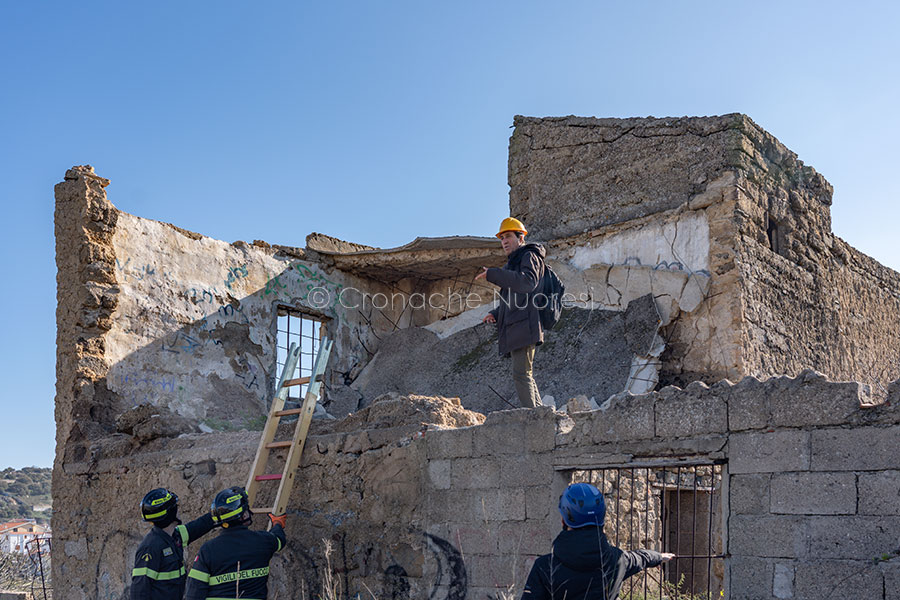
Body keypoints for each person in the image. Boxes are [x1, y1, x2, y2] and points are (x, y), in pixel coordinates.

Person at [521, 483, 675, 600]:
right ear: (601, 518)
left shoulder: (544, 567)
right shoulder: (617, 560)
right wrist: (659, 556)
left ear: (563, 520)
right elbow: (640, 558)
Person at [476, 217, 546, 408]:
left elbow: (527, 283)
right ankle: (540, 413)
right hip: (517, 324)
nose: (504, 241)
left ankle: (533, 416)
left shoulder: (529, 256)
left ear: (521, 237)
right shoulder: (512, 264)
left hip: (525, 324)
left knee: (521, 374)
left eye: (508, 236)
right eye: (502, 238)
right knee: (525, 374)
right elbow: (512, 300)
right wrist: (496, 314)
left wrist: (494, 274)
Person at [185, 486, 287, 600]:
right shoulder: (264, 541)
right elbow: (279, 538)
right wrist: (277, 523)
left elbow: (193, 593)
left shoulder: (208, 550)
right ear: (243, 515)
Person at [131, 487, 216, 600]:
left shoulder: (174, 536)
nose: (178, 510)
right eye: (176, 507)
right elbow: (139, 591)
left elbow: (199, 526)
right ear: (170, 513)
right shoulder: (150, 547)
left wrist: (220, 511)